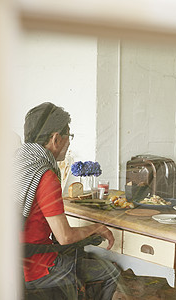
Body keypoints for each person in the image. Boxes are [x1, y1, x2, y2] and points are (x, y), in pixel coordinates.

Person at [14, 102, 120, 299]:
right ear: (56, 138)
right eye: (68, 136)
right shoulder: (45, 176)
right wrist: (96, 227)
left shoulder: (16, 164)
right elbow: (65, 237)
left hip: (9, 265)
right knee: (110, 271)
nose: (69, 142)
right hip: (37, 267)